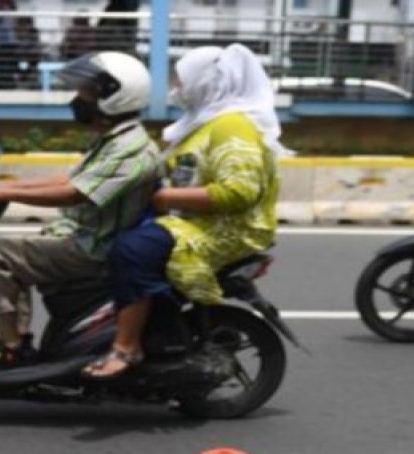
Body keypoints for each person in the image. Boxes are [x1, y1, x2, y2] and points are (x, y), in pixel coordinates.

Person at [83, 43, 284, 378]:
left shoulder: (232, 127)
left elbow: (240, 191)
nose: (176, 88)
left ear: (207, 83)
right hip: (196, 220)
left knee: (132, 250)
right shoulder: (204, 123)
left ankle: (127, 347)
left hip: (229, 228)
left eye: (181, 80)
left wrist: (169, 198)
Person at [0, 52, 162, 372]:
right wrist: (3, 188)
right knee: (12, 251)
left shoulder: (132, 151)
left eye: (87, 91)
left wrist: (3, 193)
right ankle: (20, 340)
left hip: (92, 248)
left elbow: (74, 193)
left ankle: (12, 347)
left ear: (113, 96)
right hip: (81, 236)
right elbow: (68, 178)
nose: (78, 98)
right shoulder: (113, 140)